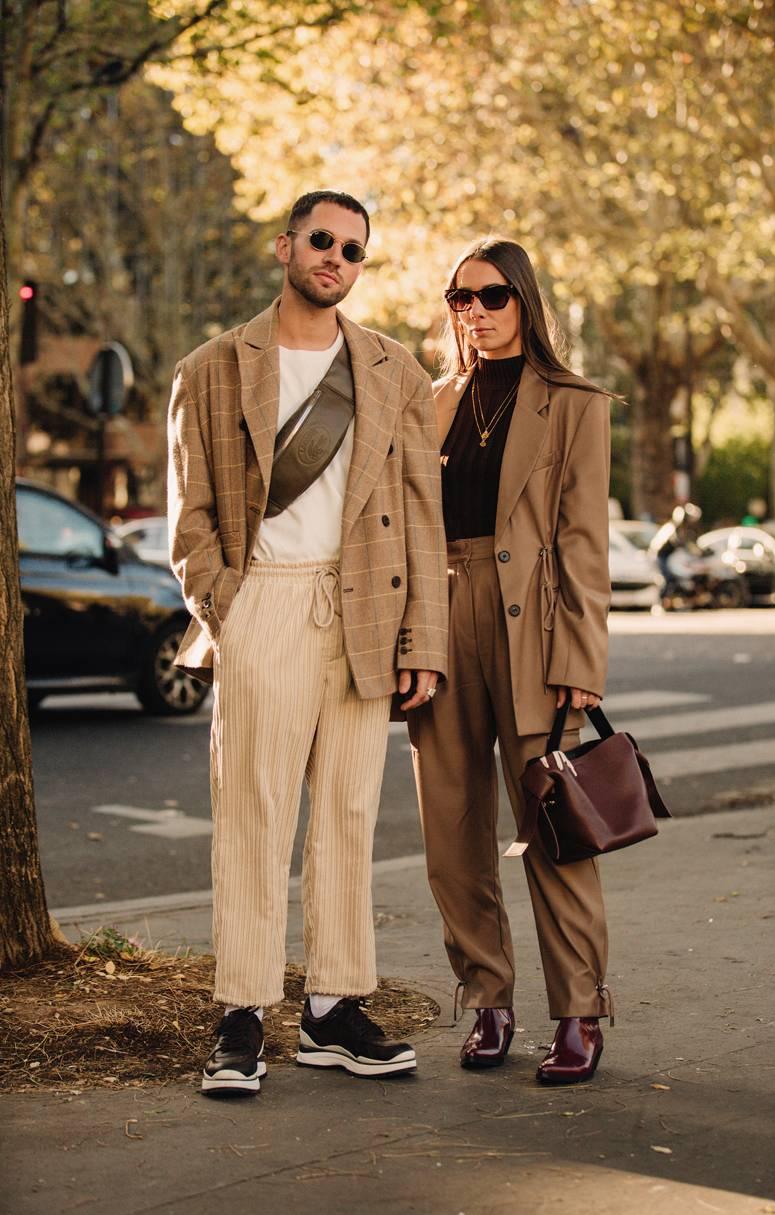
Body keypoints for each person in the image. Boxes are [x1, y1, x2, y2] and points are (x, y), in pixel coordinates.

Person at [167, 189, 448, 1095]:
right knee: (254, 810)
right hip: (266, 605)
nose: (337, 257)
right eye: (322, 240)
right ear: (286, 246)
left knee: (349, 815)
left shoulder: (393, 369)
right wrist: (226, 608)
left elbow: (419, 517)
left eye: (354, 249)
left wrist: (424, 642)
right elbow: (192, 514)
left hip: (366, 605)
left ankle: (333, 1008)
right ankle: (241, 1014)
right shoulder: (212, 367)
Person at [407, 237, 613, 1085]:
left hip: (532, 627)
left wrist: (581, 659)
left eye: (492, 296)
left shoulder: (574, 403)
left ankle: (580, 1011)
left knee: (554, 826)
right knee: (450, 830)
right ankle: (487, 999)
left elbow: (584, 545)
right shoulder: (432, 401)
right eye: (460, 298)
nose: (476, 312)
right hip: (439, 619)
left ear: (524, 300)